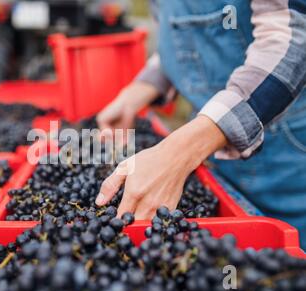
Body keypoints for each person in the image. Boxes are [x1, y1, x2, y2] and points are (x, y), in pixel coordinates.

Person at [95, 0, 306, 248]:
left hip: (283, 155)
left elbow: (293, 39)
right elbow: (178, 41)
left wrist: (178, 153)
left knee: (286, 262)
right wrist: (140, 90)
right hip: (205, 153)